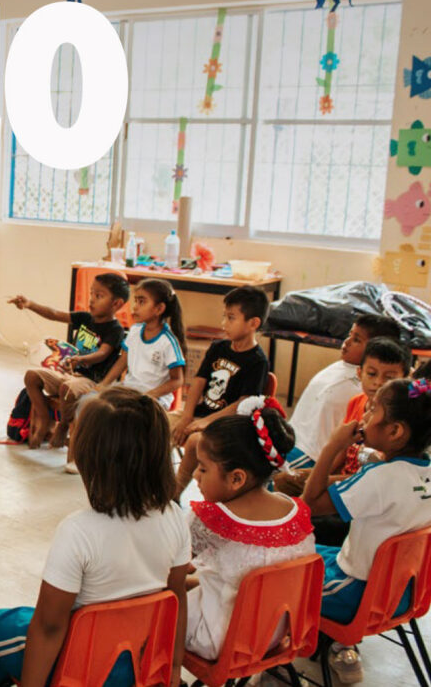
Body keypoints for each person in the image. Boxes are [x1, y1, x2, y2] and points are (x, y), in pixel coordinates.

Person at [0, 388, 191, 687]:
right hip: (140, 662)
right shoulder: (174, 517)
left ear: (90, 456)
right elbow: (177, 600)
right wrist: (172, 670)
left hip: (79, 666)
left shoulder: (79, 531)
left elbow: (49, 626)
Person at [303, 377, 431, 684]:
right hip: (404, 593)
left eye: (372, 411)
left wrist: (335, 443)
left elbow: (311, 502)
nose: (363, 417)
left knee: (277, 573)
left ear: (395, 431)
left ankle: (271, 663)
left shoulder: (380, 476)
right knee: (299, 556)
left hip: (358, 594)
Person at [184, 396, 315, 660]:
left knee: (150, 588)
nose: (195, 477)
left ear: (236, 478)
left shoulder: (211, 519)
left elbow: (170, 568)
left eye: (202, 469)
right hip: (273, 635)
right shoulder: (297, 513)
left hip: (218, 639)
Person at [274, 337, 410, 497]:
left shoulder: (398, 418)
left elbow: (380, 476)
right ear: (359, 373)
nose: (378, 382)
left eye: (389, 378)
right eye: (372, 374)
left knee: (289, 488)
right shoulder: (356, 402)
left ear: (404, 379)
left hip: (365, 485)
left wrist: (321, 482)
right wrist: (320, 475)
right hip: (343, 477)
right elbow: (342, 452)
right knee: (282, 479)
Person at [10, 272, 129, 449]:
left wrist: (80, 359)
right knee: (31, 376)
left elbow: (102, 353)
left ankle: (63, 425)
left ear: (116, 304)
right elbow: (54, 313)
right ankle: (44, 417)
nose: (91, 300)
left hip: (89, 381)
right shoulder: (85, 318)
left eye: (99, 296)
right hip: (67, 374)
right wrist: (30, 304)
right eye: (91, 293)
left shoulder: (115, 330)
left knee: (67, 389)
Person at [173, 287, 271, 493]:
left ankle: (173, 493)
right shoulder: (218, 347)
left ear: (253, 323)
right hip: (200, 414)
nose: (223, 324)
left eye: (231, 318)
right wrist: (186, 416)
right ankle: (149, 480)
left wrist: (205, 422)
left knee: (194, 441)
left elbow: (243, 404)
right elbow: (198, 382)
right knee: (155, 421)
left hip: (227, 425)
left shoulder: (257, 361)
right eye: (224, 316)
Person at [284, 314, 402, 471]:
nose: (346, 343)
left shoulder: (369, 390)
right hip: (292, 438)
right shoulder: (343, 367)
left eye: (356, 340)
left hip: (310, 452)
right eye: (349, 335)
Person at [97, 279, 187, 411]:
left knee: (122, 414)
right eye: (136, 301)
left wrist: (149, 395)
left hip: (155, 399)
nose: (135, 306)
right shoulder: (135, 330)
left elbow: (177, 380)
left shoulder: (168, 342)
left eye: (142, 302)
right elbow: (123, 361)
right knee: (96, 404)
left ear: (159, 309)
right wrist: (104, 384)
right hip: (130, 391)